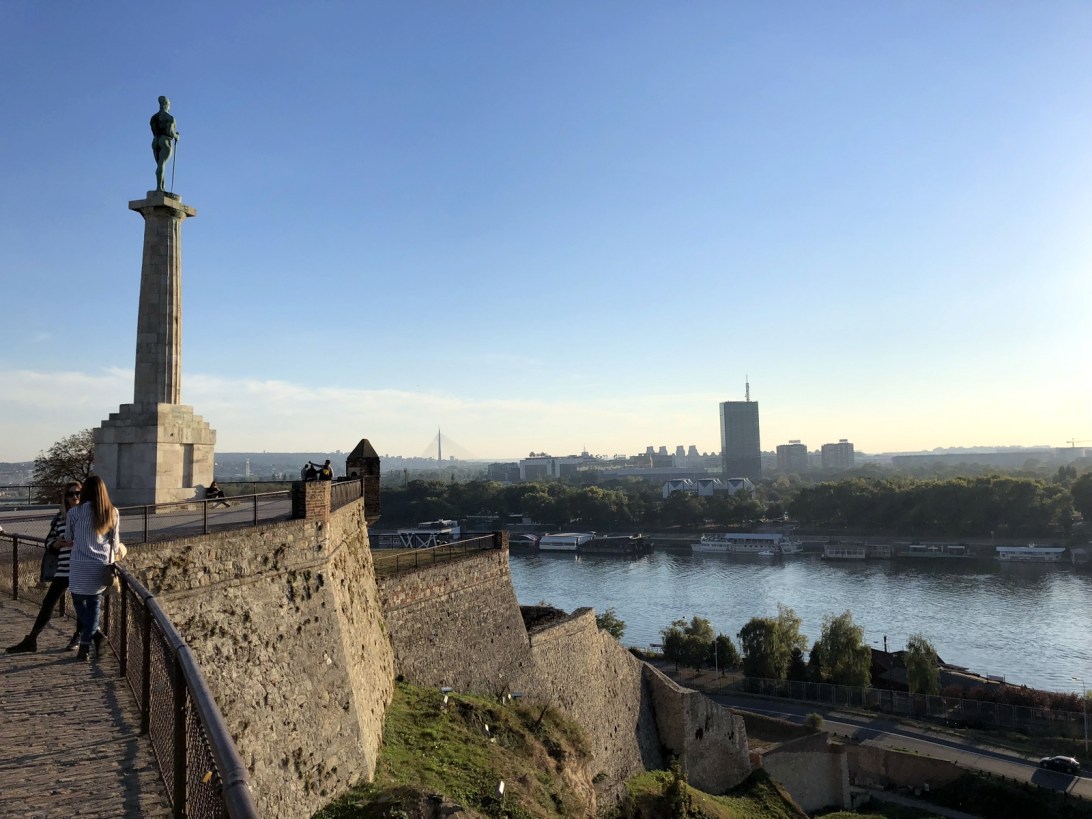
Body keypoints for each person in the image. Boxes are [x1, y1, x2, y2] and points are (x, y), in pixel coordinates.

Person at [5, 482, 84, 653]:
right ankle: (32, 639)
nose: (75, 497)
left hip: (80, 566)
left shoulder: (86, 515)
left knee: (80, 604)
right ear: (65, 497)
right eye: (71, 494)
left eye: (78, 493)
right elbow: (49, 541)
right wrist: (56, 543)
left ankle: (78, 638)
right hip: (63, 568)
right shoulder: (60, 518)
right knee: (48, 602)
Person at [67, 476, 121, 662]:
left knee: (78, 601)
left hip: (79, 564)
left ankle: (93, 638)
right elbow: (115, 543)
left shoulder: (75, 512)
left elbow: (69, 537)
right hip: (100, 565)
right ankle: (85, 645)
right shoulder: (112, 512)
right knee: (94, 604)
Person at [150, 96, 179, 192]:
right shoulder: (170, 118)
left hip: (155, 140)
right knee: (161, 164)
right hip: (165, 141)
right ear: (166, 104)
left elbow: (153, 131)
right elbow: (170, 132)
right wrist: (176, 136)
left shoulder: (154, 118)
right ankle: (159, 188)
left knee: (160, 165)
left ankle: (162, 187)